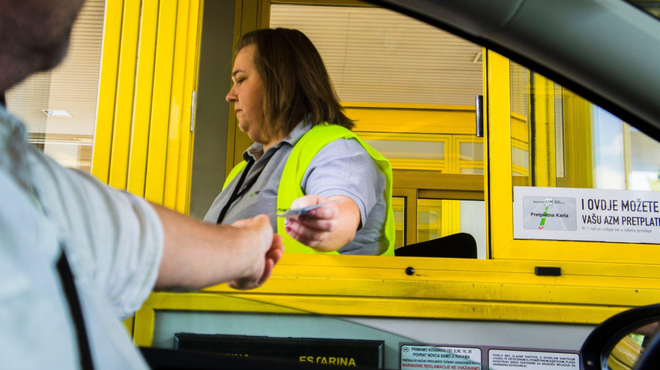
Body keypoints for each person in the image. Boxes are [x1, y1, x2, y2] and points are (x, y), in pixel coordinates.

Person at [0, 0, 284, 368]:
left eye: (240, 80)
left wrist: (247, 247)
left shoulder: (19, 172)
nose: (230, 94)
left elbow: (131, 238)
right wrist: (247, 247)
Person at [204, 28, 395, 256]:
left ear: (280, 81)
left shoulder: (334, 149)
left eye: (241, 80)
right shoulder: (240, 173)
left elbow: (340, 212)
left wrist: (324, 221)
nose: (230, 95)